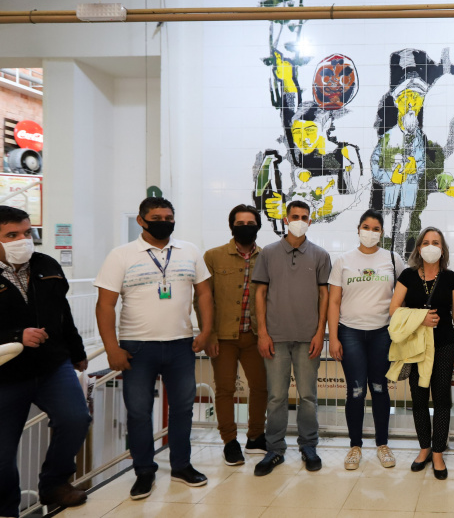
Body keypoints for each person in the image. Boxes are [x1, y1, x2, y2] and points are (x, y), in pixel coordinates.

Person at [95, 197, 215, 500]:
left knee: (183, 409)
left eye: (169, 216)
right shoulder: (120, 255)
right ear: (141, 220)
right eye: (157, 216)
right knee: (138, 412)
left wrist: (206, 331)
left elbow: (204, 295)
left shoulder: (189, 251)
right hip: (137, 348)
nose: (164, 221)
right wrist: (112, 348)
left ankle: (181, 466)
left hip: (180, 345)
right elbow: (105, 305)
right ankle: (144, 472)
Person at [0, 206, 92, 514]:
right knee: (2, 454)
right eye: (12, 235)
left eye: (27, 233)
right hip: (6, 375)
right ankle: (6, 508)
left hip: (52, 365)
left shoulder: (45, 265)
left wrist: (77, 352)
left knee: (76, 418)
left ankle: (54, 484)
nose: (22, 240)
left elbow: (62, 314)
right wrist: (15, 336)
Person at [251, 200, 331, 476]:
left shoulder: (320, 255)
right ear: (286, 220)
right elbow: (259, 294)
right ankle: (274, 449)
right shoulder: (269, 254)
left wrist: (321, 332)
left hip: (309, 337)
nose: (299, 220)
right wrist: (262, 332)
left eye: (304, 217)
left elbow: (324, 296)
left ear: (310, 221)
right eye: (295, 216)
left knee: (308, 396)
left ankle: (309, 445)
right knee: (276, 397)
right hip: (275, 337)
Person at [328, 209, 405, 470]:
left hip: (382, 332)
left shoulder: (393, 259)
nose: (370, 232)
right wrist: (334, 337)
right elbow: (334, 301)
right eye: (366, 226)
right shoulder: (343, 260)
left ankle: (382, 444)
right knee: (357, 391)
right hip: (350, 332)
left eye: (375, 228)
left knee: (380, 388)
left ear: (381, 232)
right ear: (358, 229)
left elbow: (404, 295)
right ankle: (355, 446)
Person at [389, 226, 454, 480]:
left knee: (442, 398)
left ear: (442, 249)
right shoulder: (408, 276)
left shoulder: (452, 278)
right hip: (415, 346)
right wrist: (420, 319)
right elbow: (393, 309)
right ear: (419, 247)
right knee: (419, 399)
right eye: (426, 242)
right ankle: (424, 448)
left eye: (436, 242)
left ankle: (438, 453)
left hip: (444, 345)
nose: (431, 246)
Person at [201, 204, 268, 466]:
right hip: (223, 338)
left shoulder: (266, 257)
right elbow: (203, 300)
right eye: (239, 223)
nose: (245, 227)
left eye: (250, 223)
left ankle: (255, 437)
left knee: (261, 387)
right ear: (231, 226)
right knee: (226, 390)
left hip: (254, 337)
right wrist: (209, 334)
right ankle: (230, 442)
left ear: (258, 226)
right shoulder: (213, 257)